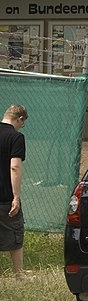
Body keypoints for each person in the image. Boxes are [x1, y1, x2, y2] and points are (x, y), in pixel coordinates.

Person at [0, 104, 27, 277]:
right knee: (15, 234)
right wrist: (15, 196)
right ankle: (19, 274)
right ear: (20, 119)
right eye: (22, 123)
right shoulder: (16, 137)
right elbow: (15, 167)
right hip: (5, 196)